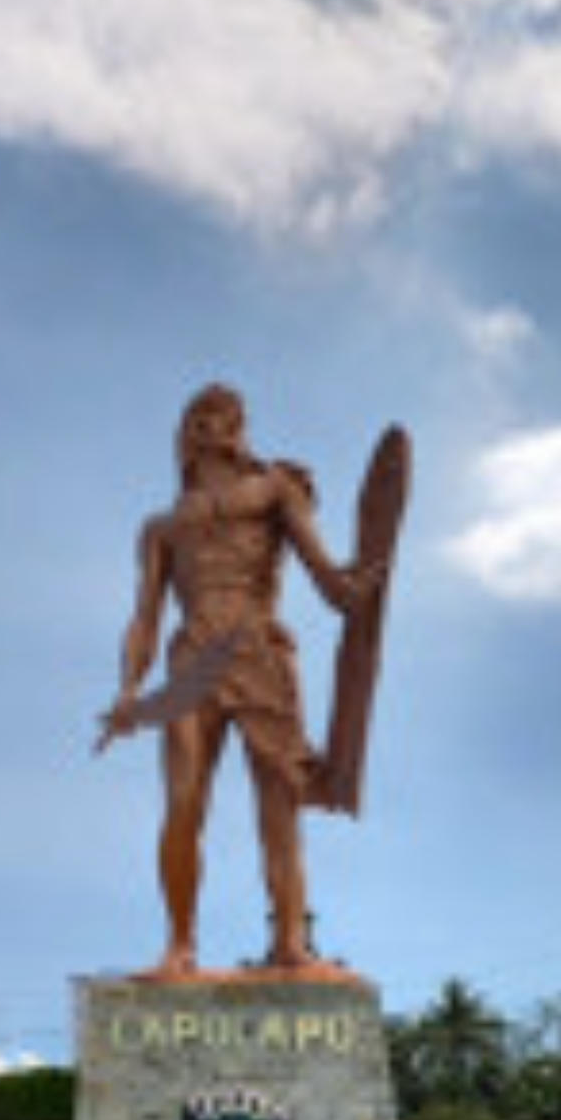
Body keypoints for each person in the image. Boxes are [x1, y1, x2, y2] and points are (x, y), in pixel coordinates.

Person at [109, 383, 386, 979]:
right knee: (183, 802)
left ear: (239, 426)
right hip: (191, 663)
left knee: (279, 804)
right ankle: (180, 945)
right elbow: (145, 617)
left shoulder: (275, 489)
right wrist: (129, 688)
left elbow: (324, 576)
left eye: (221, 416)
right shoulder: (161, 528)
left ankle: (290, 942)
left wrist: (353, 589)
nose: (209, 425)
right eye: (198, 417)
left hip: (259, 650)